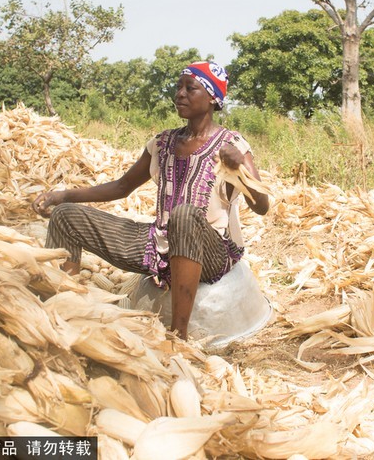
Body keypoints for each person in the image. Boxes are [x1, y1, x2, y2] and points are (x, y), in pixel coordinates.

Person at [32, 61, 270, 340]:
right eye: (178, 87)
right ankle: (60, 313)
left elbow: (262, 206)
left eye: (190, 88)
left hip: (211, 253)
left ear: (212, 98)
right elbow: (122, 186)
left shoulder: (232, 145)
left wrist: (240, 167)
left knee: (183, 216)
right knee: (67, 217)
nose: (179, 94)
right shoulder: (163, 143)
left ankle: (177, 337)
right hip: (160, 246)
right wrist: (63, 196)